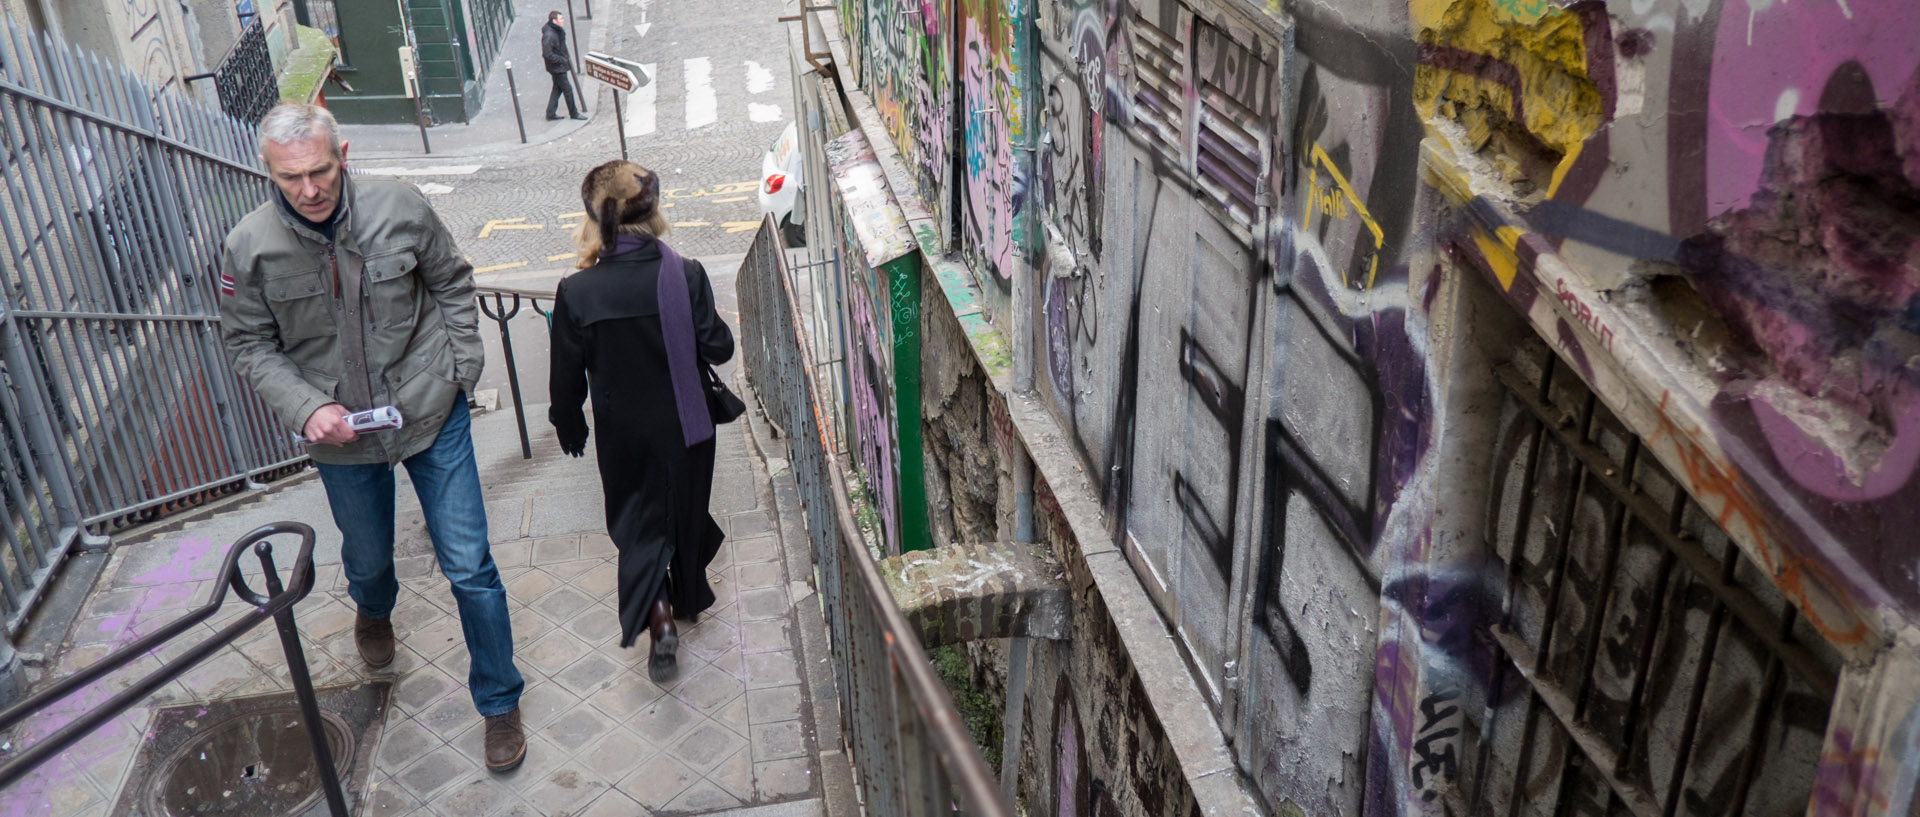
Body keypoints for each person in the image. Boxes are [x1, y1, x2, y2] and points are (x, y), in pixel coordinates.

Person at [219, 103, 528, 772]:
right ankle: (374, 607)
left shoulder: (401, 207)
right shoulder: (250, 246)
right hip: (339, 437)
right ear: (268, 172)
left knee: (471, 565)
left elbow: (450, 279)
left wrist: (460, 371)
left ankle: (500, 700)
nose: (309, 189)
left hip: (429, 410)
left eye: (320, 170)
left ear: (344, 154)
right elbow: (247, 340)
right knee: (366, 556)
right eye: (290, 177)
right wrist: (305, 408)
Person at [548, 160, 734, 683]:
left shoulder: (577, 293)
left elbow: (566, 381)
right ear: (654, 212)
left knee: (638, 526)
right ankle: (689, 594)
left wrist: (571, 428)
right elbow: (719, 346)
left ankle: (660, 620)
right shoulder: (686, 272)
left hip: (623, 433)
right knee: (685, 510)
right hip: (688, 426)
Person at [542, 11, 587, 121]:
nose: (563, 21)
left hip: (557, 66)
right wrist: (562, 60)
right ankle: (573, 113)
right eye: (561, 19)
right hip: (557, 68)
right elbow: (547, 54)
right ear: (554, 21)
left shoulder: (554, 32)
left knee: (557, 88)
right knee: (567, 89)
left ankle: (550, 113)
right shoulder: (550, 35)